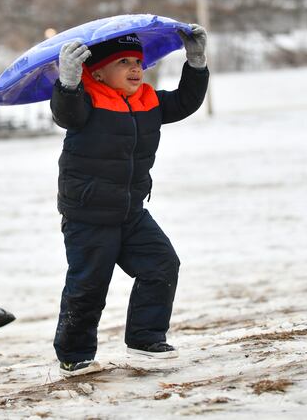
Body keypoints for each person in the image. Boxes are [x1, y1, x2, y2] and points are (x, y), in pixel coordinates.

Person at [51, 25, 209, 377]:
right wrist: (68, 81)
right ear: (98, 71)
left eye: (137, 61)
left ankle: (145, 337)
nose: (135, 68)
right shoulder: (86, 100)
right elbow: (66, 114)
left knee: (162, 264)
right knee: (89, 285)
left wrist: (196, 64)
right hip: (88, 215)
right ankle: (73, 354)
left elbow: (186, 101)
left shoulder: (148, 101)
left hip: (131, 212)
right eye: (123, 62)